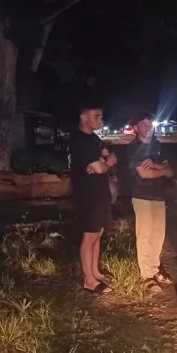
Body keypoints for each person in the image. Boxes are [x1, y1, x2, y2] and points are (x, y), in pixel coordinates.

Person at [68, 102, 116, 294]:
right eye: (96, 116)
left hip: (100, 192)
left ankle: (95, 271)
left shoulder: (94, 139)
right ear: (83, 116)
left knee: (98, 232)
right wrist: (106, 163)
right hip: (87, 194)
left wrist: (103, 162)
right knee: (89, 235)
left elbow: (102, 161)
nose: (100, 120)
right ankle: (89, 279)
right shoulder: (79, 140)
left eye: (101, 116)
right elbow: (101, 166)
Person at [128, 112, 173, 292]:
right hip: (141, 196)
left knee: (158, 235)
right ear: (136, 127)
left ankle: (154, 268)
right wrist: (161, 170)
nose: (147, 128)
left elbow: (170, 170)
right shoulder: (133, 148)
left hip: (158, 195)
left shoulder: (157, 145)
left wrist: (156, 166)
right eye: (143, 124)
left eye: (149, 124)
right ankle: (146, 275)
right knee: (144, 235)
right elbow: (144, 174)